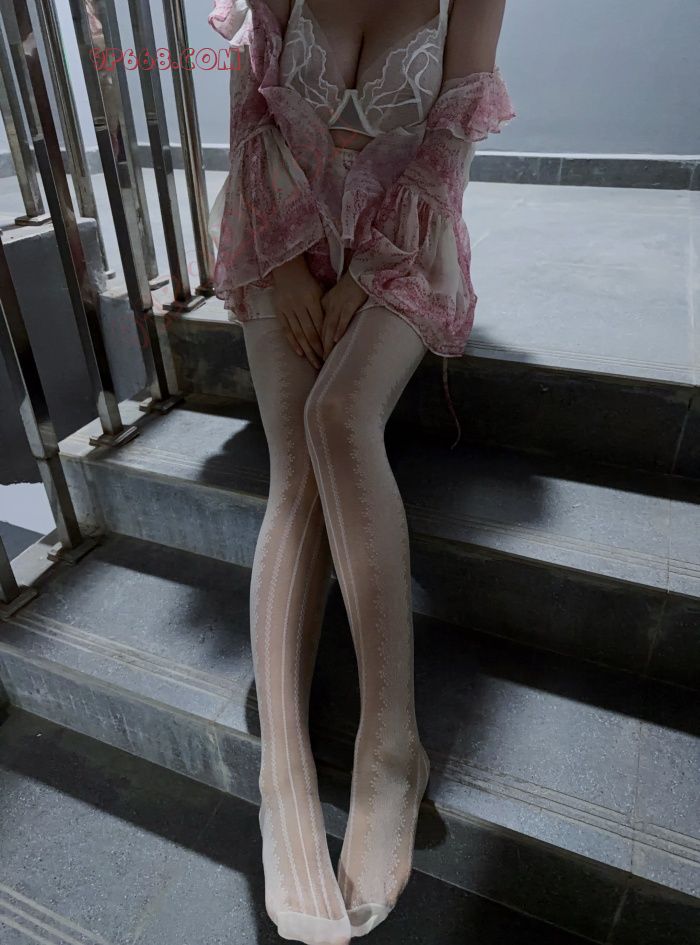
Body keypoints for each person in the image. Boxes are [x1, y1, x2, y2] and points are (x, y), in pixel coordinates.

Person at [207, 2, 514, 942]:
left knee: (339, 417)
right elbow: (252, 116)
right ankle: (283, 776)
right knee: (293, 471)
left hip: (403, 242)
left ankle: (391, 748)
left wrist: (366, 273)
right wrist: (285, 268)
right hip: (280, 233)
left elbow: (448, 140)